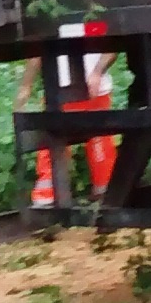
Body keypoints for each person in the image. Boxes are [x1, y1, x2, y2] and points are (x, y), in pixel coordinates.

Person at [20, 51, 117, 208]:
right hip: (66, 89)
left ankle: (105, 194)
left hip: (82, 90)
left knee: (96, 142)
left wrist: (26, 85)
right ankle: (106, 195)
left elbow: (35, 52)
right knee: (94, 140)